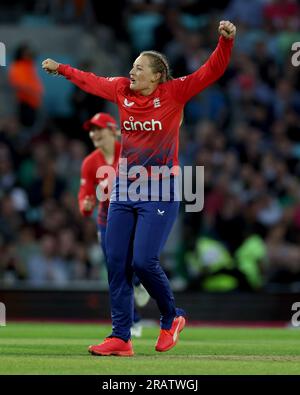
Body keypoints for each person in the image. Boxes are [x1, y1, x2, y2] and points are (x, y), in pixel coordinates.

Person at [42, 20, 236, 357]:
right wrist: (62, 70)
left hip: (161, 190)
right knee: (117, 262)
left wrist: (225, 42)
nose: (131, 72)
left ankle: (171, 317)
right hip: (124, 190)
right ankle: (121, 336)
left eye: (139, 68)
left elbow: (211, 71)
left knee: (144, 262)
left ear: (157, 76)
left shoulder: (174, 92)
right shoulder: (120, 90)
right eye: (132, 66)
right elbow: (90, 81)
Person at [78, 112, 150, 337]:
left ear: (112, 130)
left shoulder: (129, 154)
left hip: (133, 217)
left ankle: (139, 282)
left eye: (99, 129)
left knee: (137, 263)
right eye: (92, 130)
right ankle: (132, 321)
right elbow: (85, 194)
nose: (94, 134)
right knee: (116, 272)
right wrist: (86, 205)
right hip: (106, 221)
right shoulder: (90, 162)